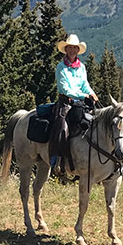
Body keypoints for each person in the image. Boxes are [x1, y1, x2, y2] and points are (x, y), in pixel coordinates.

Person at [50, 34, 98, 175]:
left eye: (74, 48)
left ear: (78, 50)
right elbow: (65, 89)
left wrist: (92, 93)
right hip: (65, 102)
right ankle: (57, 160)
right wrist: (84, 95)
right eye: (69, 47)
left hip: (81, 103)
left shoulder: (81, 67)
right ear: (66, 49)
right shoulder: (61, 67)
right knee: (62, 127)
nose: (72, 50)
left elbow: (85, 85)